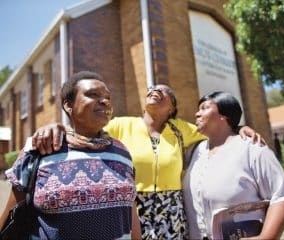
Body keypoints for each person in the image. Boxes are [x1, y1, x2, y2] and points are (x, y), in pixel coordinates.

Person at [30, 84, 263, 239]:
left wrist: (241, 128)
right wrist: (56, 126)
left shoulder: (181, 128)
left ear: (172, 107)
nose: (155, 90)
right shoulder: (122, 124)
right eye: (152, 88)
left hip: (172, 207)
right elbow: (84, 130)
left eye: (164, 91)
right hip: (133, 207)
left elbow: (216, 128)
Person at [0, 71, 141, 239]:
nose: (104, 101)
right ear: (68, 105)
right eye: (93, 95)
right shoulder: (41, 148)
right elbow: (10, 217)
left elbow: (130, 210)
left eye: (108, 97)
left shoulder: (122, 151)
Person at [182, 91, 284, 240]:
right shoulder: (195, 151)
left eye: (204, 108)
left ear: (224, 115)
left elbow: (283, 195)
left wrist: (266, 237)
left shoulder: (252, 148)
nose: (197, 114)